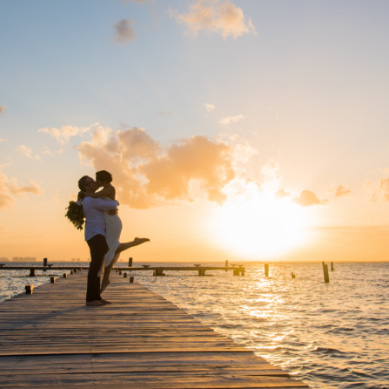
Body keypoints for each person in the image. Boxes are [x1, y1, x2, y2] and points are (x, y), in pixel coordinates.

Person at [81, 170, 149, 293]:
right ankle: (106, 278)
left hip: (112, 221)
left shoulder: (108, 189)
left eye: (98, 180)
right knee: (110, 249)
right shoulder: (102, 191)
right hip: (108, 221)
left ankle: (106, 278)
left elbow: (96, 197)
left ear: (104, 181)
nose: (96, 182)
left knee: (110, 248)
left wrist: (83, 194)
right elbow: (101, 201)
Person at [78, 175, 118, 306]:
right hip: (96, 235)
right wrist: (116, 202)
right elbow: (111, 204)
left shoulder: (89, 199)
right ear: (86, 187)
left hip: (95, 235)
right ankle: (91, 299)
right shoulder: (91, 200)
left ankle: (96, 297)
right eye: (92, 181)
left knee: (98, 266)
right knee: (95, 267)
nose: (95, 182)